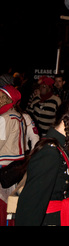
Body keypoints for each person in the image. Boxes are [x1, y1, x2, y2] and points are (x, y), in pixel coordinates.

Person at [15, 99, 69, 226]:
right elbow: (32, 202)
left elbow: (59, 187)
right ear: (66, 122)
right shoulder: (49, 153)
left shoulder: (59, 148)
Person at [0, 85, 26, 226]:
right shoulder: (17, 115)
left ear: (6, 98)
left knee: (3, 207)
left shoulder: (4, 118)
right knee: (11, 206)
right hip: (15, 166)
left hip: (4, 167)